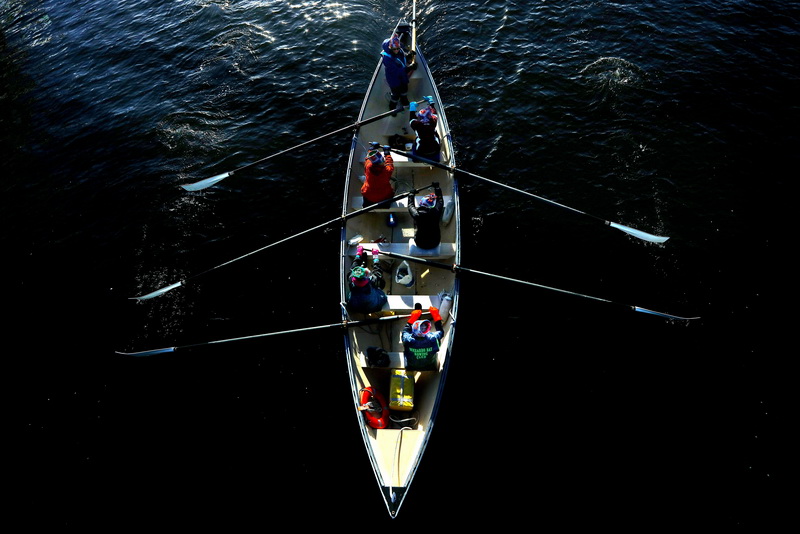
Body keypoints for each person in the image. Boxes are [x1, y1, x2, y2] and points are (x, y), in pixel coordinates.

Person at [381, 34, 416, 115]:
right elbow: (398, 71)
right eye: (394, 49)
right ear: (390, 48)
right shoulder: (387, 59)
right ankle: (392, 108)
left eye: (398, 48)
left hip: (402, 78)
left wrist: (409, 55)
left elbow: (402, 58)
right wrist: (410, 67)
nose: (397, 50)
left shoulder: (399, 51)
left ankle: (404, 101)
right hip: (394, 80)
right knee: (395, 95)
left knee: (404, 90)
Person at [346, 245, 387, 314]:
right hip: (374, 306)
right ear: (367, 276)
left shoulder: (351, 278)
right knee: (381, 285)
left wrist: (358, 254)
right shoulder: (372, 280)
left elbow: (354, 266)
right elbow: (378, 271)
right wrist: (375, 256)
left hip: (356, 307)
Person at [402, 304, 444, 371]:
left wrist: (412, 319)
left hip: (411, 366)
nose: (424, 327)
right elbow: (441, 332)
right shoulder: (433, 338)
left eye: (424, 326)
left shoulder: (408, 339)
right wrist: (436, 317)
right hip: (430, 366)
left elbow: (405, 332)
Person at [407, 182, 443, 249]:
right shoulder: (436, 212)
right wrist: (437, 188)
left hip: (420, 243)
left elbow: (410, 206)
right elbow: (440, 201)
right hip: (435, 242)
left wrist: (411, 194)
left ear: (421, 205)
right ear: (431, 206)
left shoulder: (416, 214)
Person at [408, 97, 440, 162]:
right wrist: (431, 102)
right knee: (435, 134)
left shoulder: (416, 124)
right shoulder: (433, 122)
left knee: (416, 141)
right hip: (435, 150)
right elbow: (434, 113)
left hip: (421, 152)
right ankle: (436, 159)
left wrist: (412, 107)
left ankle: (416, 159)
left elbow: (411, 118)